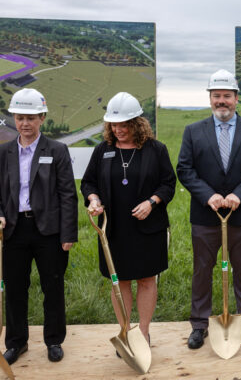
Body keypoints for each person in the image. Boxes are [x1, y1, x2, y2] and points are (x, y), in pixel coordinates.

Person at [177, 69, 241, 349]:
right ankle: (199, 324)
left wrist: (240, 194)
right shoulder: (193, 131)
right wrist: (209, 196)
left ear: (236, 98)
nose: (221, 101)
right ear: (209, 99)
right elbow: (185, 168)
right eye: (216, 95)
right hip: (207, 215)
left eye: (226, 96)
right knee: (202, 269)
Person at [81, 92, 175, 347]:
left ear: (137, 123)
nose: (118, 129)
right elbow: (89, 182)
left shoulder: (156, 150)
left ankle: (143, 332)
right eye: (114, 124)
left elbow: (168, 184)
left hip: (148, 228)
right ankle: (125, 331)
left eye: (124, 124)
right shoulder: (103, 150)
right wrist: (93, 200)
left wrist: (152, 202)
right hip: (114, 230)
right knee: (119, 280)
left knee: (146, 279)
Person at [0, 88, 78, 364]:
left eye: (31, 118)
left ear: (42, 118)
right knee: (15, 289)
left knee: (52, 288)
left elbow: (68, 194)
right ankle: (16, 343)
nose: (25, 123)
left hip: (49, 232)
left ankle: (54, 340)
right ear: (14, 118)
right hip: (13, 231)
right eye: (20, 117)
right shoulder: (4, 152)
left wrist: (68, 233)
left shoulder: (56, 150)